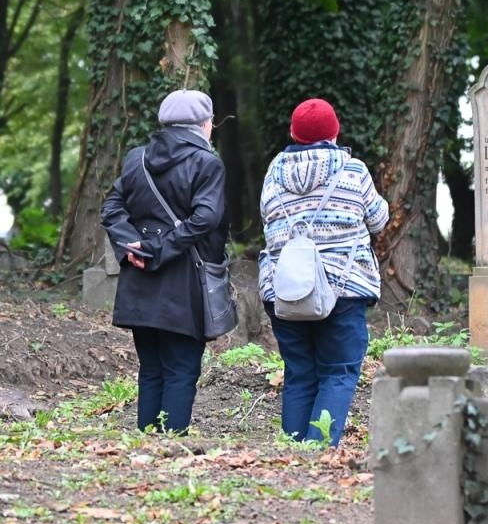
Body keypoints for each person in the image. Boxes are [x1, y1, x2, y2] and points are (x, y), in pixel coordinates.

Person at [259, 98, 388, 447]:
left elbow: (267, 221)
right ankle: (318, 453)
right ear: (335, 132)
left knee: (299, 373)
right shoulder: (354, 170)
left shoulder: (274, 173)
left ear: (292, 133)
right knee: (338, 371)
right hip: (343, 286)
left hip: (285, 288)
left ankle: (294, 454)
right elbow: (378, 219)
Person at [100, 89, 228, 432]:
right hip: (185, 279)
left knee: (152, 368)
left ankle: (146, 443)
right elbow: (205, 219)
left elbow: (111, 208)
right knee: (182, 369)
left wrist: (134, 247)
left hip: (139, 282)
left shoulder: (136, 158)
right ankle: (170, 447)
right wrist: (158, 250)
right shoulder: (207, 162)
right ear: (204, 124)